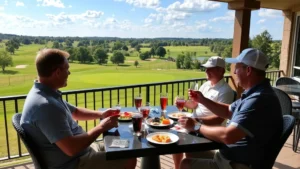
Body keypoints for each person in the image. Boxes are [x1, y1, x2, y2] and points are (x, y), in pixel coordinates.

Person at [20, 49, 136, 169]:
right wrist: (102, 127)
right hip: (74, 163)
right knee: (129, 158)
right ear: (58, 72)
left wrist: (102, 114)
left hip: (83, 152)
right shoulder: (46, 106)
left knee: (125, 146)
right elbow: (71, 149)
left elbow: (75, 112)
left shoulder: (45, 94)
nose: (69, 73)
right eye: (67, 69)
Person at [179, 48, 283, 169]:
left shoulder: (259, 99)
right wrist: (202, 99)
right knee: (191, 152)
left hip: (238, 164)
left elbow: (228, 136)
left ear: (248, 70)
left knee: (186, 164)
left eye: (237, 68)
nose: (234, 72)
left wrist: (196, 126)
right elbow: (228, 110)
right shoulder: (254, 93)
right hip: (229, 157)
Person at [173, 56, 235, 169]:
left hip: (208, 130)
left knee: (185, 147)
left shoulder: (226, 91)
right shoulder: (205, 85)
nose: (206, 71)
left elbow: (219, 118)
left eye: (210, 68)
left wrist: (196, 122)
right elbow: (194, 105)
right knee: (175, 138)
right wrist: (183, 103)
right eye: (206, 68)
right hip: (194, 124)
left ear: (221, 70)